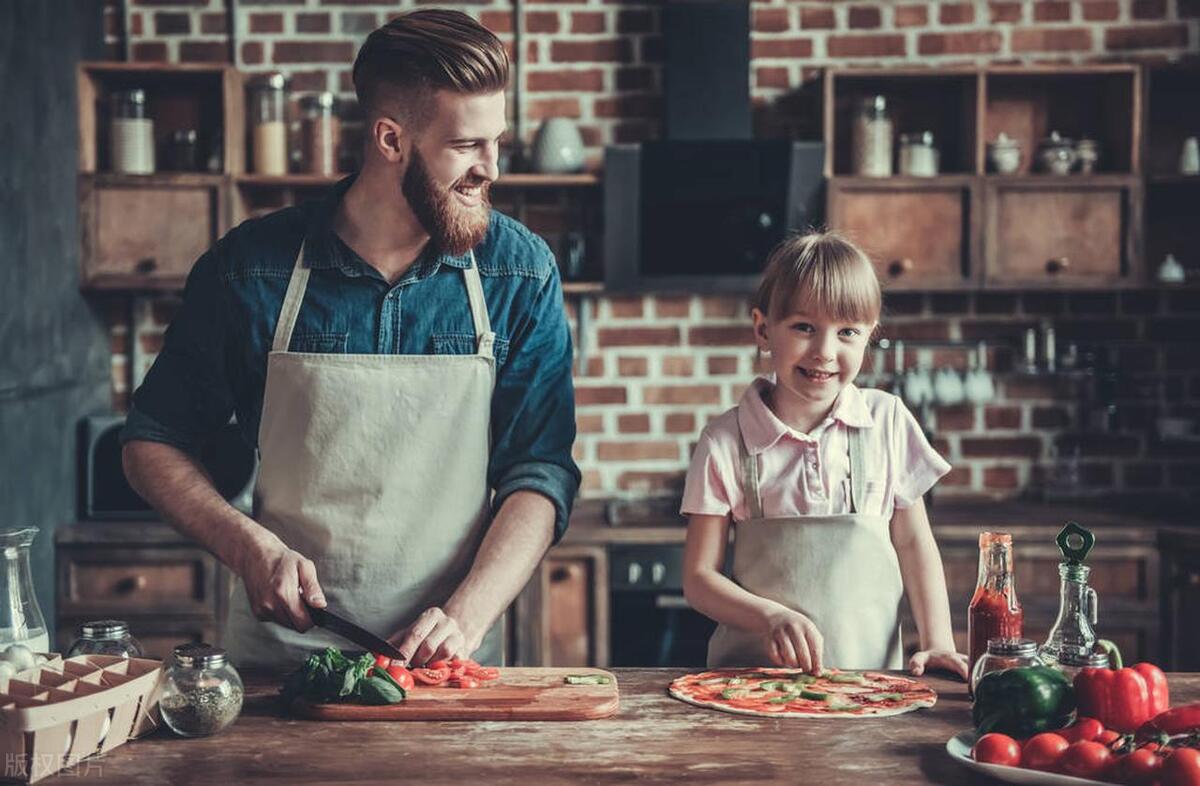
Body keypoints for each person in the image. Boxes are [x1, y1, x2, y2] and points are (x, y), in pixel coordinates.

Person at [120, 10, 579, 668]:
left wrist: (466, 615)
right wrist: (250, 548)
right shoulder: (252, 269)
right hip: (280, 668)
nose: (492, 168)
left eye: (496, 141)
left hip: (444, 665)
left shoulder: (519, 272)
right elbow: (150, 444)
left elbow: (539, 470)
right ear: (391, 140)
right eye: (466, 146)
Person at [680, 230, 968, 679]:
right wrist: (769, 616)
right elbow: (699, 579)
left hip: (870, 684)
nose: (824, 352)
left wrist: (938, 642)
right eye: (804, 327)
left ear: (870, 335)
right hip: (751, 684)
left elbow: (913, 544)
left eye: (847, 332)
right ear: (762, 329)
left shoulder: (887, 421)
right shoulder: (724, 440)